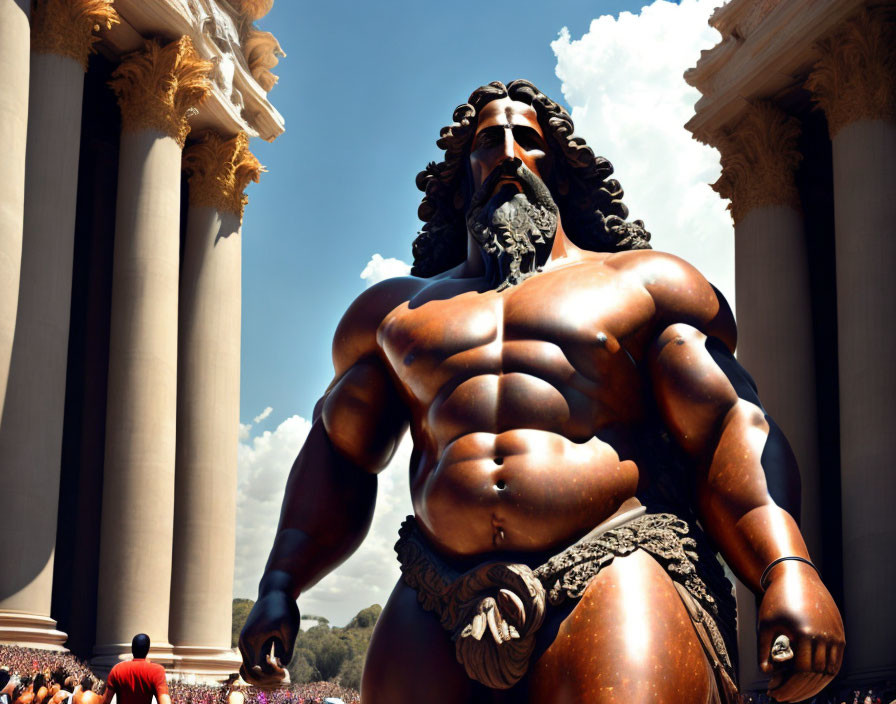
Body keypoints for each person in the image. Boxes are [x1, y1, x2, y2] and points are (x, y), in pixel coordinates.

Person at [238, 80, 844, 703]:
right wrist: (280, 583)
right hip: (436, 582)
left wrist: (786, 568)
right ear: (462, 173)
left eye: (526, 139)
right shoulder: (391, 314)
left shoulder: (644, 283)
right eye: (486, 143)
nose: (506, 153)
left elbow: (727, 426)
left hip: (610, 555)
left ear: (560, 165)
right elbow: (340, 452)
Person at [101, 635, 169, 704]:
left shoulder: (117, 669)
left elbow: (106, 701)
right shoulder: (156, 670)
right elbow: (164, 701)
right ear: (147, 650)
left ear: (132, 649)